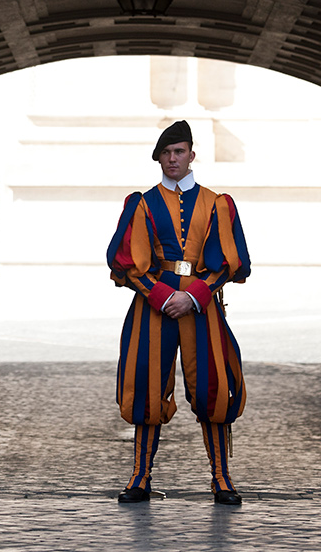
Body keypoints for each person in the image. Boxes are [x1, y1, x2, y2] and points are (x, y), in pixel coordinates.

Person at [106, 120, 251, 505]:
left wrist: (196, 295)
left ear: (191, 155)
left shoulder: (217, 202)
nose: (173, 159)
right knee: (147, 391)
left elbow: (230, 262)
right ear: (159, 158)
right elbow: (125, 263)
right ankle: (140, 477)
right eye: (166, 153)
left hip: (202, 308)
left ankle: (222, 478)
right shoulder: (142, 203)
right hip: (153, 307)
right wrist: (160, 295)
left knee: (213, 388)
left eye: (179, 152)